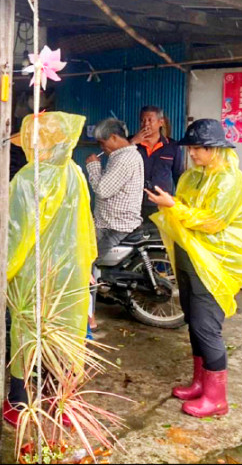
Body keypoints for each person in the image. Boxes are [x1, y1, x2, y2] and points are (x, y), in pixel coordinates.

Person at [146, 119, 242, 418]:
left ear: (215, 149)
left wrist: (173, 206)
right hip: (191, 257)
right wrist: (173, 204)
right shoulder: (192, 176)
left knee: (206, 326)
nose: (192, 154)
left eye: (198, 149)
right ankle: (200, 383)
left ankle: (217, 398)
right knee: (193, 321)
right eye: (190, 148)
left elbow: (212, 222)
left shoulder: (231, 181)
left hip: (214, 263)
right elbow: (186, 212)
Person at [4, 112, 97, 426]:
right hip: (70, 270)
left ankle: (20, 402)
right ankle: (64, 402)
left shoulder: (27, 180)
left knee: (27, 333)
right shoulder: (76, 173)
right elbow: (86, 227)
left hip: (34, 271)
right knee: (65, 332)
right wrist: (86, 270)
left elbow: (16, 236)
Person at [85, 118, 144, 330]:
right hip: (110, 220)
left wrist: (92, 167)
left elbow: (102, 189)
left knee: (85, 263)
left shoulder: (124, 158)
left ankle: (89, 317)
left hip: (113, 224)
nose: (102, 148)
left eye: (103, 143)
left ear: (114, 137)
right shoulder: (123, 155)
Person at [130, 106, 184, 219]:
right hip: (133, 202)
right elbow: (119, 164)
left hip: (161, 203)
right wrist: (133, 142)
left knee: (159, 235)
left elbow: (179, 175)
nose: (146, 124)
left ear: (161, 122)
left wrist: (181, 202)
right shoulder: (130, 143)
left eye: (150, 120)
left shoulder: (172, 146)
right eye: (142, 121)